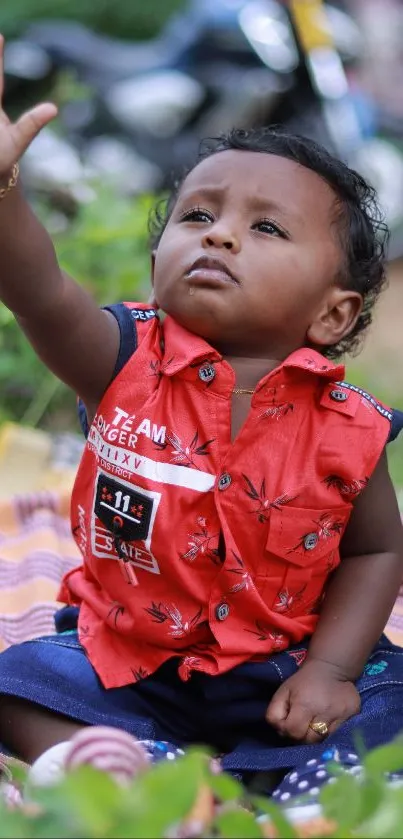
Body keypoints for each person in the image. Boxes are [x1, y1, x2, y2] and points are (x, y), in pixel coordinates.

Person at [0, 33, 403, 791]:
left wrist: (328, 670)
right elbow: (40, 291)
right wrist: (3, 190)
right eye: (197, 216)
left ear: (331, 312)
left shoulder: (351, 426)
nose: (218, 232)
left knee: (385, 700)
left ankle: (305, 779)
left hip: (283, 666)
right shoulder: (118, 360)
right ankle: (96, 767)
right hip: (129, 657)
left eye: (266, 228)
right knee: (21, 675)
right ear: (156, 272)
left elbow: (375, 553)